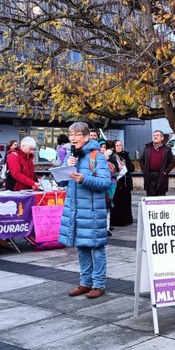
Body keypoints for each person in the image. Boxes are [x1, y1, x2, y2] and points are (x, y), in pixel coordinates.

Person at [59, 122, 111, 299]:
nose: (72, 138)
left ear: (87, 136)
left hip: (92, 211)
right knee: (81, 247)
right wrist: (66, 164)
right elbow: (62, 182)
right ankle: (85, 282)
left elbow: (105, 182)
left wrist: (84, 179)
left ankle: (98, 284)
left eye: (77, 134)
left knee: (97, 248)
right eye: (70, 134)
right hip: (76, 210)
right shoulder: (71, 155)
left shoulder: (97, 156)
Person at [140, 130, 175, 196]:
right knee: (150, 199)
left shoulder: (167, 149)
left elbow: (172, 162)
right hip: (150, 176)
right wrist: (144, 171)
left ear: (162, 138)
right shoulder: (147, 148)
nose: (155, 137)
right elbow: (141, 160)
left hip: (161, 176)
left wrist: (166, 172)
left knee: (160, 200)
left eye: (157, 135)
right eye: (154, 135)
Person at [110, 140, 135, 226]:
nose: (119, 147)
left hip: (125, 182)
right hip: (117, 182)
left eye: (120, 145)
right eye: (117, 145)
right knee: (118, 202)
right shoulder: (112, 157)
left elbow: (132, 168)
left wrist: (125, 165)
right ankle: (118, 221)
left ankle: (126, 220)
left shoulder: (125, 155)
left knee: (126, 202)